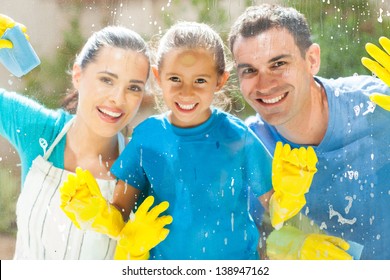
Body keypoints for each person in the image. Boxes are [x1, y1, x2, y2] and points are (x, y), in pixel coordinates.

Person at [0, 14, 169, 259]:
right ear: (78, 75)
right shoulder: (41, 132)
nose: (118, 99)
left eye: (133, 87)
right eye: (106, 80)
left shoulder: (140, 170)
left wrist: (136, 250)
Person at [228, 4, 390, 260]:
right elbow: (232, 248)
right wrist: (282, 248)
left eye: (278, 63)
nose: (265, 84)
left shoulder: (378, 106)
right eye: (249, 70)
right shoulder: (248, 148)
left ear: (311, 60)